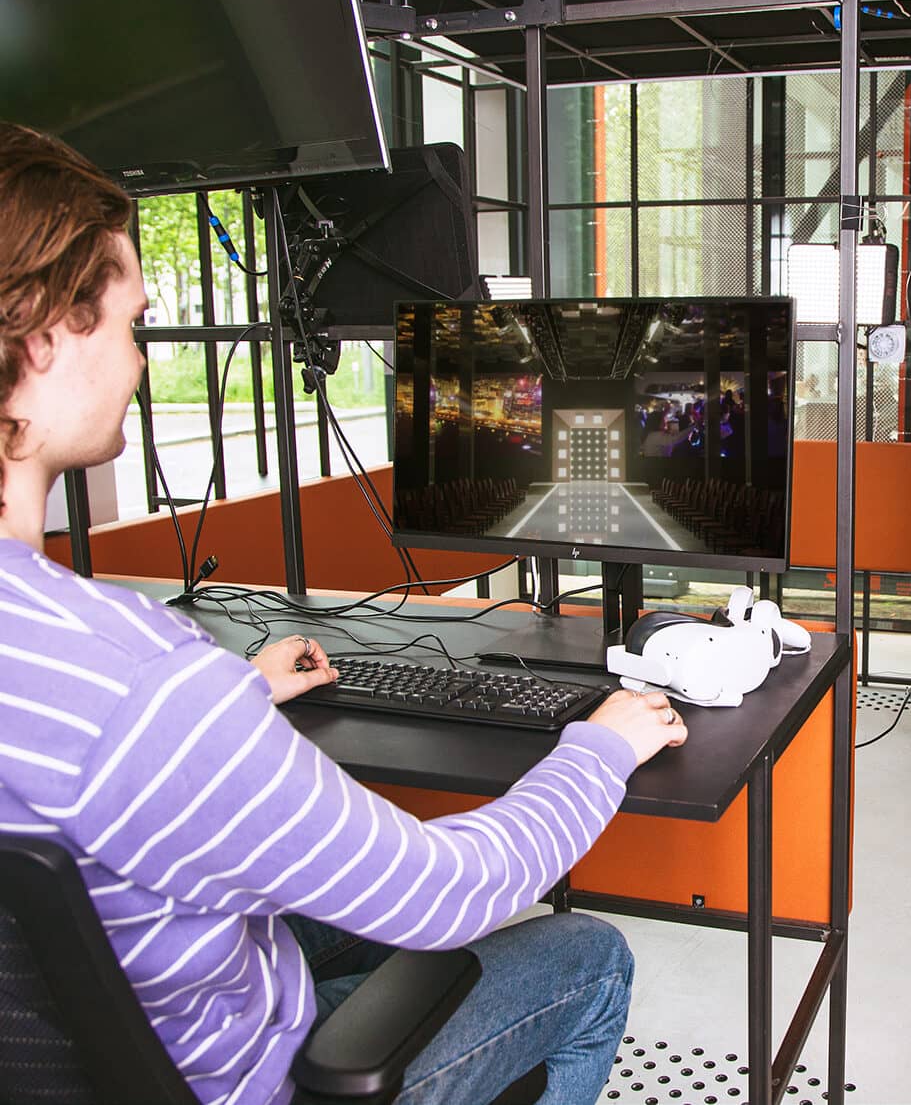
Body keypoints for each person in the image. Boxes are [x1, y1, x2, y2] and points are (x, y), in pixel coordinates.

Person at [0, 123, 688, 1105]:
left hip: (87, 1045)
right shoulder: (148, 691)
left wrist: (232, 695)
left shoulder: (132, 690)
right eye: (130, 325)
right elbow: (446, 894)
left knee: (328, 909)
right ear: (41, 336)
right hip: (235, 1078)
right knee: (585, 953)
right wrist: (601, 745)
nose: (141, 361)